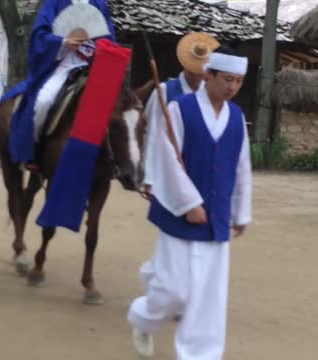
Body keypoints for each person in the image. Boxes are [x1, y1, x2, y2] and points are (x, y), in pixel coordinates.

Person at [127, 46, 253, 359]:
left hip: (217, 218)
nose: (232, 87)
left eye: (238, 81)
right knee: (173, 292)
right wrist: (187, 204)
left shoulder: (236, 118)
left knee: (208, 299)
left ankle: (201, 354)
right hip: (179, 216)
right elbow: (166, 157)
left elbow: (241, 167)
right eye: (226, 79)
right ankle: (143, 319)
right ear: (207, 75)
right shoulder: (180, 109)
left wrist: (240, 210)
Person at [1, 0, 116, 170]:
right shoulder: (54, 2)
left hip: (93, 64)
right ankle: (34, 152)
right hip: (62, 63)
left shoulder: (98, 3)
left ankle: (114, 160)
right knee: (43, 102)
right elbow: (39, 35)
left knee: (118, 109)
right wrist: (63, 43)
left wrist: (98, 46)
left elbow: (109, 38)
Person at [142, 32, 220, 192]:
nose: (199, 74)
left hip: (199, 169)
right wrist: (149, 177)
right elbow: (151, 133)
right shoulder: (166, 91)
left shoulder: (210, 95)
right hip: (169, 168)